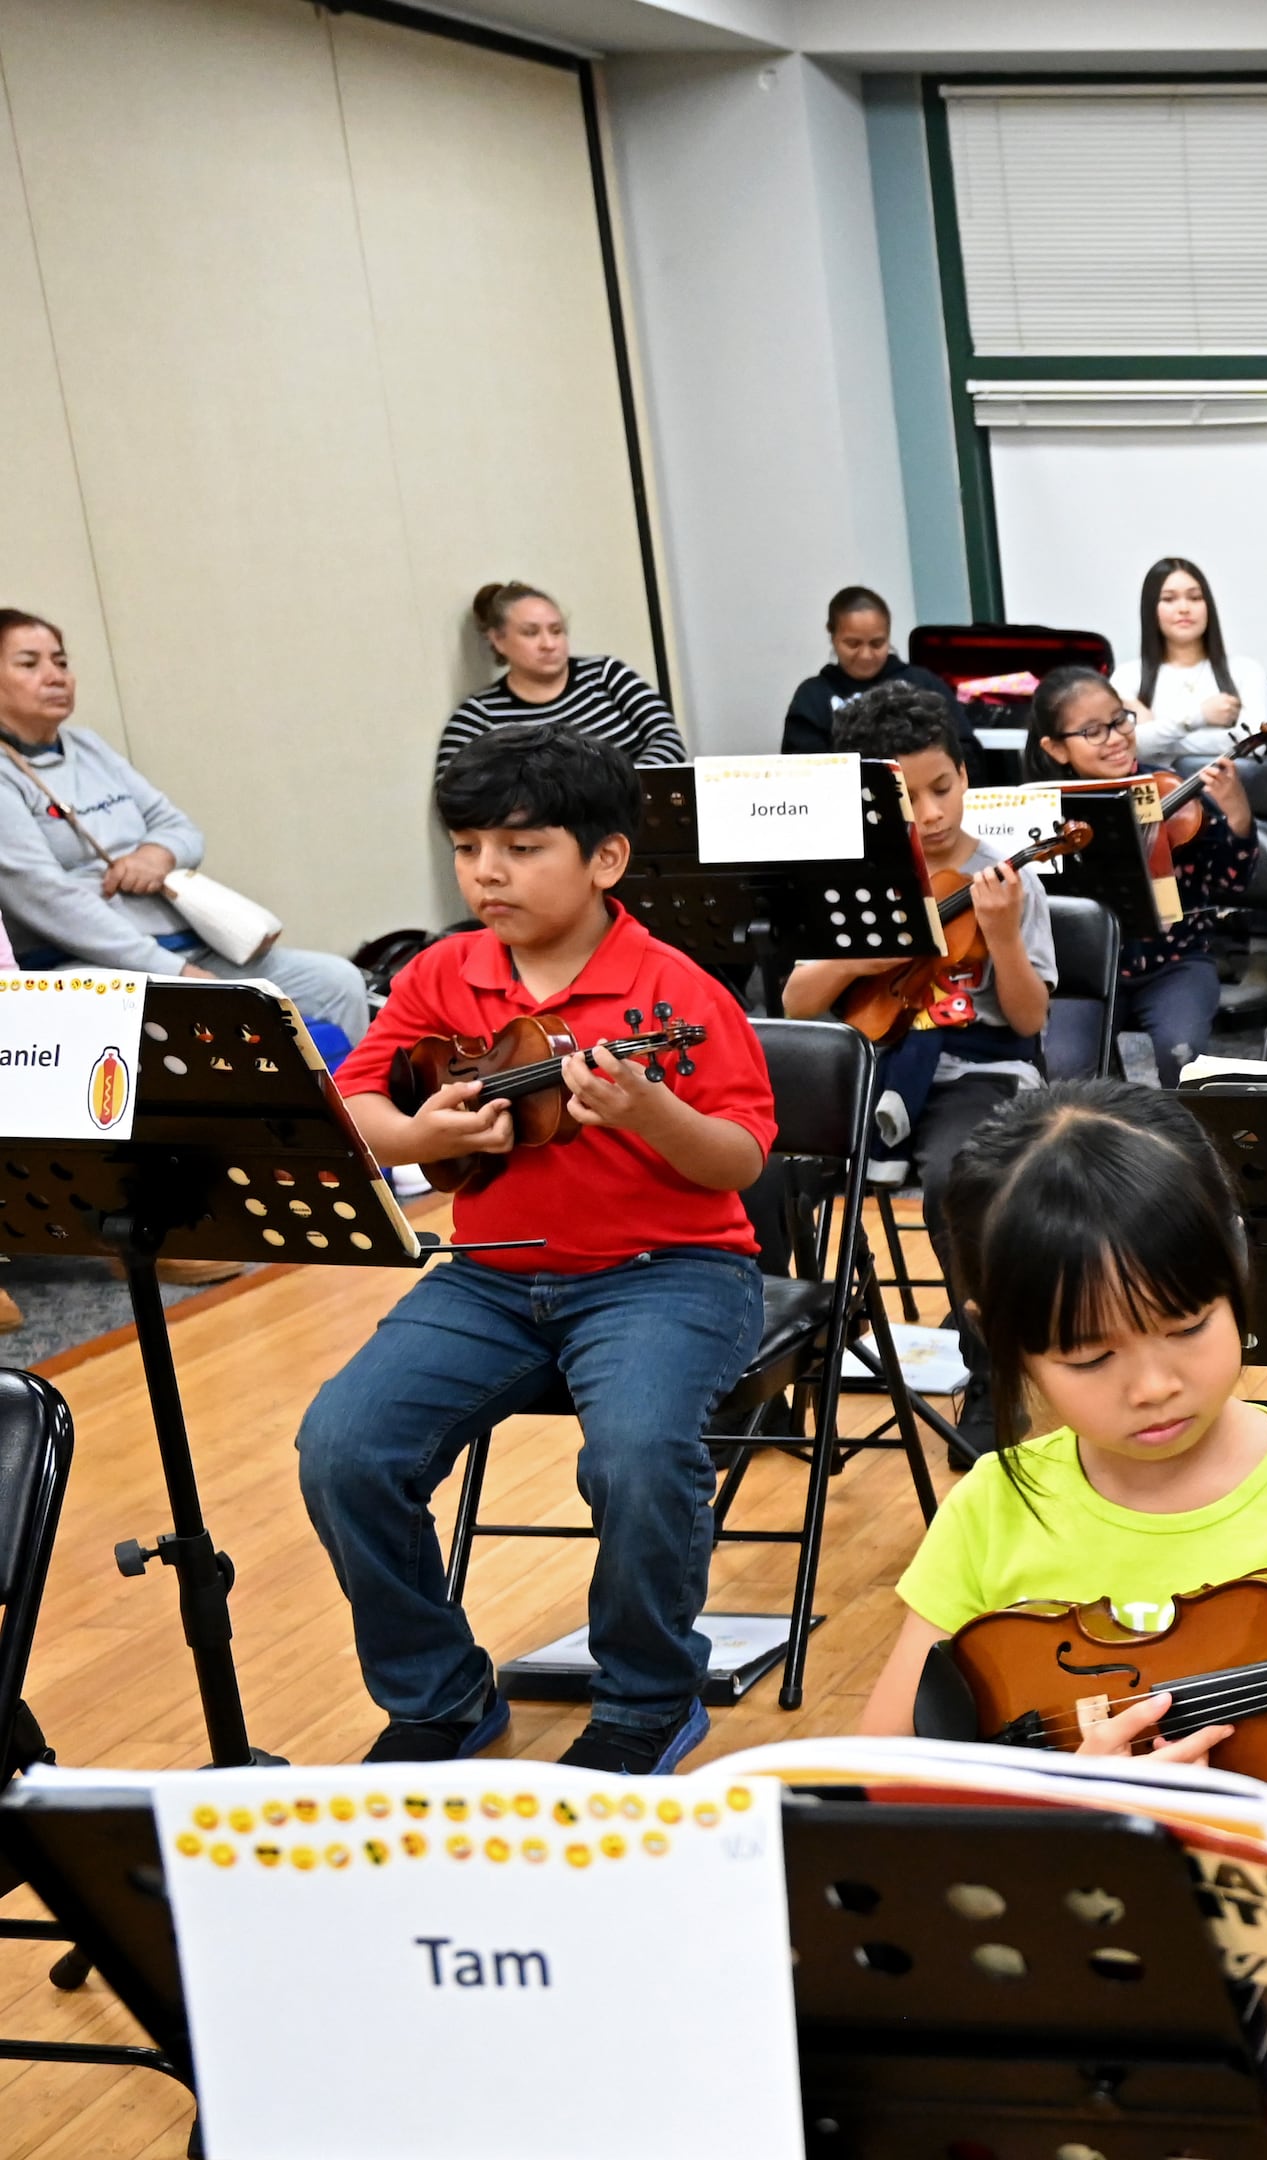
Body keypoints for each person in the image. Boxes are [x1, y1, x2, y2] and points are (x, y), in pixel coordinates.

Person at [854, 1080, 1267, 2004]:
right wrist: (1067, 1800)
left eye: (1187, 1328)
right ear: (1005, 1343)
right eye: (1089, 1357)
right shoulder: (995, 1505)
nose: (1152, 1386)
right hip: (1041, 1959)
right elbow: (886, 1766)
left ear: (1236, 1273)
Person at [296, 726, 774, 1773]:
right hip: (493, 1273)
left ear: (605, 859)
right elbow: (355, 1103)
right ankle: (442, 1696)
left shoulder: (677, 992)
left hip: (671, 1272)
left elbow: (737, 1160)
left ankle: (648, 1696)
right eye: (468, 847)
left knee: (639, 1458)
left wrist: (649, 1111)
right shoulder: (443, 973)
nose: (486, 873)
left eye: (520, 847)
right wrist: (422, 1139)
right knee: (343, 1448)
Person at [781, 680, 1052, 1447]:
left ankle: (991, 1377)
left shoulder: (1006, 876)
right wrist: (862, 957)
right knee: (761, 1166)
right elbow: (800, 1004)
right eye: (907, 799)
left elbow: (1031, 1021)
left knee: (958, 1179)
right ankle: (772, 1374)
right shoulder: (849, 876)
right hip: (869, 1063)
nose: (931, 814)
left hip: (981, 1069)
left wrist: (1000, 937)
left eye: (943, 787)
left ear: (966, 775)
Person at [0, 608, 370, 1061]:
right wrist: (177, 972)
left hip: (191, 945)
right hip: (94, 966)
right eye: (29, 663)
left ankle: (355, 1120)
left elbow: (181, 829)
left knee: (339, 983)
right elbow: (48, 899)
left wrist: (156, 855)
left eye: (61, 661)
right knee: (226, 1021)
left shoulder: (88, 746)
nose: (55, 676)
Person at [1030, 666, 1249, 1084]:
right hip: (1088, 970)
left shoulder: (1172, 792)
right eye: (1093, 732)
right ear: (1057, 749)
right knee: (1064, 1070)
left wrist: (1236, 815)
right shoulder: (1046, 811)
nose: (1115, 738)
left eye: (1119, 720)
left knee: (1182, 1056)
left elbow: (1232, 882)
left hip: (1176, 962)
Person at [438, 582, 685, 775]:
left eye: (556, 631)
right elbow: (454, 795)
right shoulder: (478, 715)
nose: (549, 644)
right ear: (498, 640)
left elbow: (668, 738)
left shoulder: (606, 674)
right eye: (530, 633)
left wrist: (625, 790)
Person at [781, 584, 954, 756]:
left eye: (877, 643)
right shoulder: (812, 697)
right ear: (833, 636)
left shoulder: (923, 684)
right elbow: (804, 770)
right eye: (853, 644)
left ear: (888, 635)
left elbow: (964, 752)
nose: (866, 655)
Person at [1126, 556, 1246, 765]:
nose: (1184, 608)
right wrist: (1198, 716)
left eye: (1195, 597)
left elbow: (1253, 743)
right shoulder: (1128, 676)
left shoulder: (1245, 670)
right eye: (1169, 599)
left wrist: (1155, 736)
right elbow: (1126, 746)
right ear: (1151, 608)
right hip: (1156, 793)